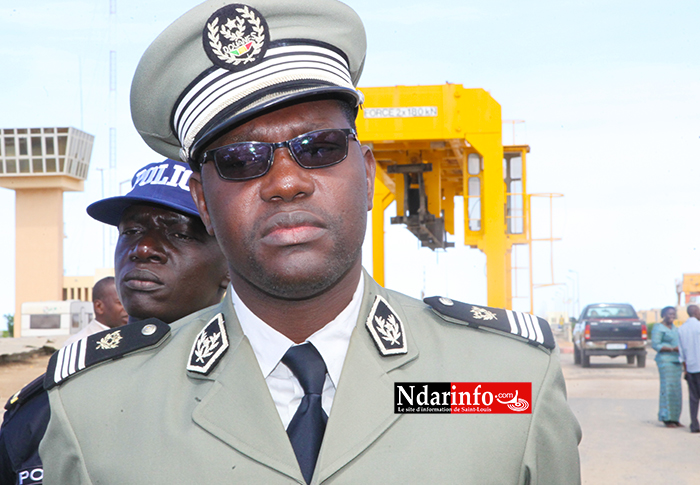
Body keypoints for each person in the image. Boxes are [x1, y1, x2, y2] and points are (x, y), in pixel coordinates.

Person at [40, 2, 581, 484]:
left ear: (367, 174)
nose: (285, 181)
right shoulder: (95, 409)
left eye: (319, 147)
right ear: (202, 201)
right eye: (240, 160)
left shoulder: (504, 385)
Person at [0, 158, 229, 485]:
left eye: (178, 233)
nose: (143, 247)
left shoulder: (272, 385)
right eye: (131, 231)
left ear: (230, 266)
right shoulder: (50, 404)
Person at [63, 276, 128, 348]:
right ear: (99, 307)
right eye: (120, 302)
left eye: (129, 301)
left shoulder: (132, 337)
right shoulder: (76, 345)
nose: (127, 307)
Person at [651, 306, 682, 427]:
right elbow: (656, 344)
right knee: (667, 389)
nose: (671, 316)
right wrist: (671, 349)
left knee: (676, 390)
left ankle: (675, 418)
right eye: (669, 314)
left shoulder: (675, 328)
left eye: (673, 314)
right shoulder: (658, 328)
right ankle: (666, 418)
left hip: (676, 361)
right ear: (663, 314)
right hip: (665, 361)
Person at [679, 304, 700, 433]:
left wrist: (685, 369)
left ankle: (694, 425)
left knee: (693, 398)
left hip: (691, 368)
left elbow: (681, 352)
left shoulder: (681, 329)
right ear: (696, 312)